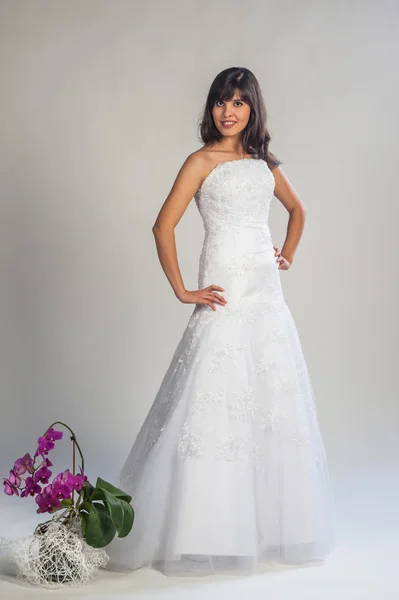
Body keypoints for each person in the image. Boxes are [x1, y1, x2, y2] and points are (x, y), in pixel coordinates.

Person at [105, 66, 336, 577]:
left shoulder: (263, 164)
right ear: (210, 109)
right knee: (210, 403)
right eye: (219, 102)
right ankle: (202, 528)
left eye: (237, 102)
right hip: (225, 292)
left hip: (265, 296)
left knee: (273, 405)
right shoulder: (200, 161)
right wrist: (183, 289)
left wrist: (286, 255)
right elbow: (162, 224)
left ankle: (275, 528)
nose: (227, 111)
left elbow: (297, 210)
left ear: (253, 108)